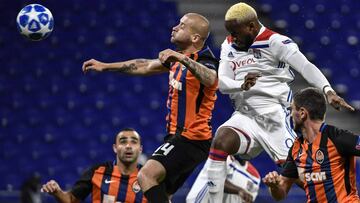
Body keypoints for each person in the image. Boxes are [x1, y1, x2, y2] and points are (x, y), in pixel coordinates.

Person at [205, 2, 355, 202]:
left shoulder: (276, 42)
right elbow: (221, 82)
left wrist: (327, 91)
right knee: (220, 141)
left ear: (251, 26)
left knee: (305, 177)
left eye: (236, 32)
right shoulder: (228, 45)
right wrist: (241, 85)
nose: (233, 37)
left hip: (275, 117)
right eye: (230, 32)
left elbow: (305, 66)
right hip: (245, 116)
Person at [82, 13, 218, 203]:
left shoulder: (204, 59)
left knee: (145, 175)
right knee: (162, 194)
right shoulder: (178, 60)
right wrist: (106, 66)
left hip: (191, 138)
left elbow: (211, 78)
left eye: (182, 25)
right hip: (180, 138)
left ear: (195, 37)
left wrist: (180, 58)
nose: (175, 27)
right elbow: (145, 65)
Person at [263, 87, 360, 202]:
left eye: (292, 109)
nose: (290, 115)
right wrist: (274, 186)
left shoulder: (337, 137)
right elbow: (281, 193)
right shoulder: (296, 148)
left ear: (302, 113)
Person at [41, 128, 147, 203]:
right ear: (115, 148)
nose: (128, 146)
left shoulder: (149, 177)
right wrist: (57, 192)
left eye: (134, 142)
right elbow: (70, 200)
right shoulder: (98, 171)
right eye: (123, 142)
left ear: (140, 149)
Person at [186, 155, 260, 203]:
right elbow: (213, 181)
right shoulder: (221, 158)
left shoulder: (255, 176)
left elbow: (249, 199)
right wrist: (238, 190)